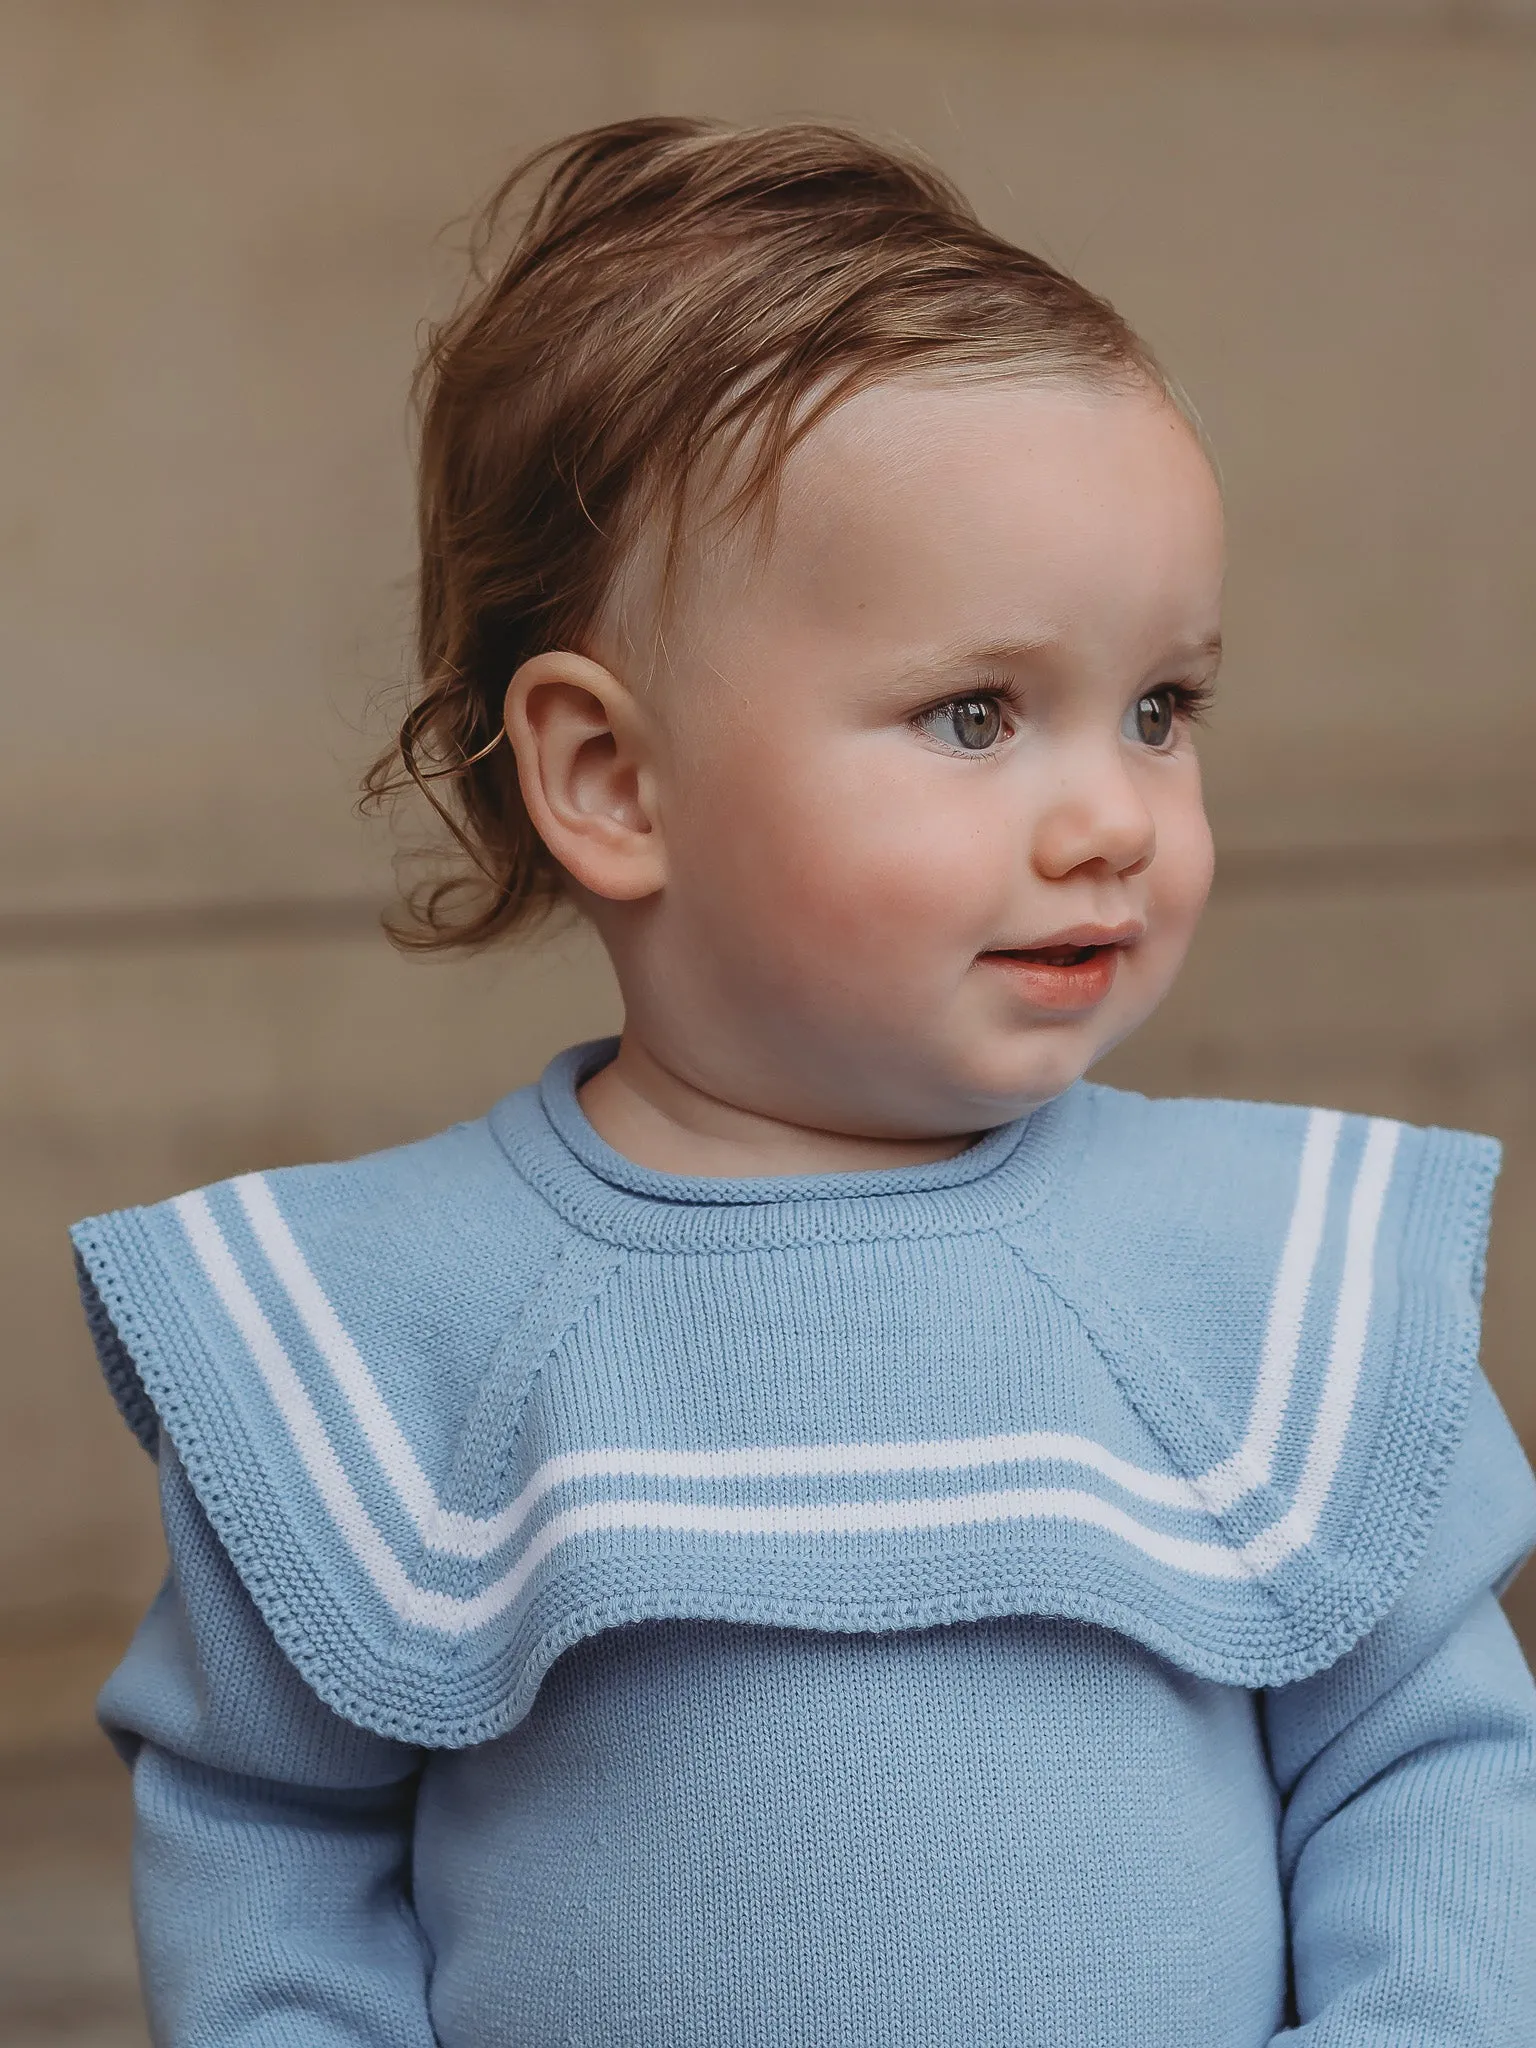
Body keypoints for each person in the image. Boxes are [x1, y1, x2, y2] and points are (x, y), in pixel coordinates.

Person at [73, 117, 1536, 2046]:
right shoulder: (395, 1328)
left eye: (1162, 707)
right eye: (975, 714)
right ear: (609, 776)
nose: (1112, 814)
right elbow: (268, 1843)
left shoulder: (1272, 1283)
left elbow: (1427, 1779)